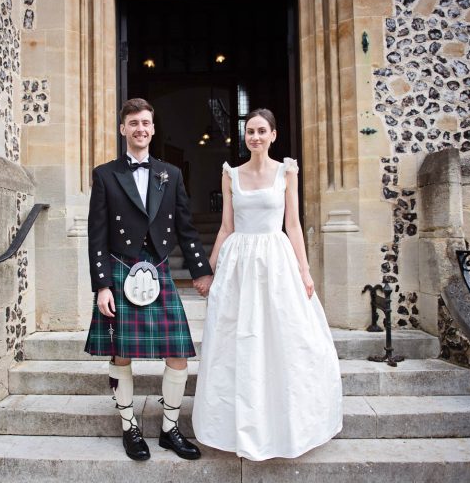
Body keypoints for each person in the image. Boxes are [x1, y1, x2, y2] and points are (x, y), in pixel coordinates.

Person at [192, 108, 343, 461]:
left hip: (276, 260)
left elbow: (293, 224)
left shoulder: (287, 171)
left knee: (285, 336)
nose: (255, 137)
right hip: (238, 262)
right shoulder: (230, 174)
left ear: (273, 135)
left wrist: (305, 271)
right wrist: (207, 270)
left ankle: (285, 424)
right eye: (250, 131)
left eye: (262, 130)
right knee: (236, 339)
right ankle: (235, 425)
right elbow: (226, 227)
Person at [85, 98, 214, 462]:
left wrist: (201, 271)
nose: (140, 129)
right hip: (120, 268)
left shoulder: (170, 174)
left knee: (178, 353)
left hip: (157, 269)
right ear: (123, 129)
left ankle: (170, 429)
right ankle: (129, 427)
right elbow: (97, 234)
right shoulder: (105, 174)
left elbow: (186, 228)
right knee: (121, 353)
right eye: (133, 123)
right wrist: (102, 285)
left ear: (153, 129)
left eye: (145, 123)